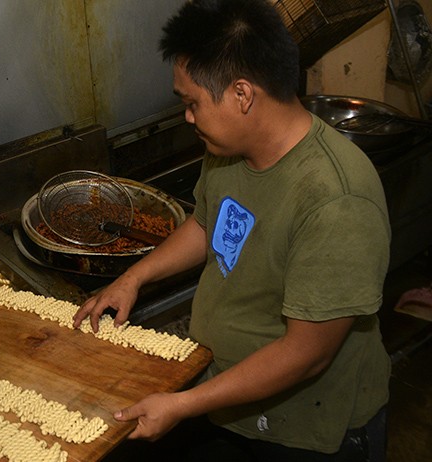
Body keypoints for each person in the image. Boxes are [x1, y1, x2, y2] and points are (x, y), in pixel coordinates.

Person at [72, 0, 391, 460]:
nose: (188, 116)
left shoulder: (334, 200)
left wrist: (183, 404)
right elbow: (206, 224)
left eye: (192, 103)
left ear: (242, 95)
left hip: (305, 431)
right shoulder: (228, 150)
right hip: (227, 398)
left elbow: (306, 355)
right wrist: (133, 278)